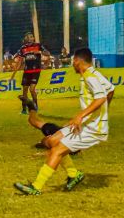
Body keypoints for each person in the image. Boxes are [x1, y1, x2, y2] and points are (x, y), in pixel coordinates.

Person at [14, 48, 115, 195]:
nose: (72, 64)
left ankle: (36, 187)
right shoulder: (94, 74)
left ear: (77, 61)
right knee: (50, 141)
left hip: (92, 128)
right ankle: (74, 175)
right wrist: (101, 113)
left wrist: (82, 116)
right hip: (87, 123)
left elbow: (100, 98)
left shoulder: (90, 77)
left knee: (57, 150)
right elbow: (110, 90)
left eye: (73, 61)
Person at [9, 32, 48, 114]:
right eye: (28, 37)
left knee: (32, 89)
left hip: (36, 71)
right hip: (27, 72)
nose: (30, 38)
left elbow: (47, 53)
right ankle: (24, 109)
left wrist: (40, 52)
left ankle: (35, 106)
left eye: (31, 36)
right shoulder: (23, 48)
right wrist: (13, 75)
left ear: (33, 38)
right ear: (26, 39)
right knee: (25, 90)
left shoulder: (38, 45)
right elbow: (19, 62)